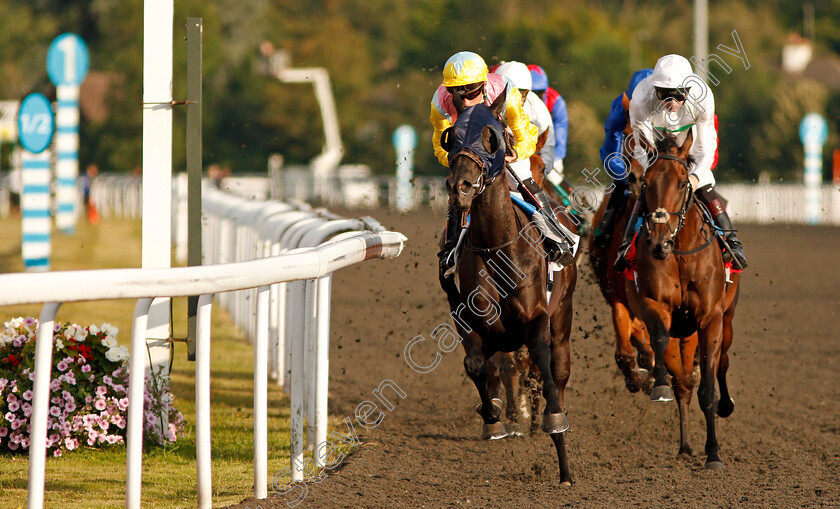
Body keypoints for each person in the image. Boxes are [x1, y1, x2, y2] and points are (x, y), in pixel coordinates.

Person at [430, 52, 572, 274]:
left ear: (484, 83)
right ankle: (450, 249)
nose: (465, 100)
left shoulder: (505, 91)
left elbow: (525, 135)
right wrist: (452, 159)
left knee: (524, 180)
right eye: (457, 92)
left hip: (501, 142)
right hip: (468, 148)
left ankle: (555, 238)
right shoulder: (440, 100)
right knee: (458, 188)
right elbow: (440, 142)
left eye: (471, 91)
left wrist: (516, 153)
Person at [614, 54, 747, 271]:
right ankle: (626, 245)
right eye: (664, 95)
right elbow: (641, 147)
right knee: (649, 189)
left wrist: (694, 178)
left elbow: (705, 150)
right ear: (654, 89)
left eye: (677, 95)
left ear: (688, 90)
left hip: (691, 144)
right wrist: (655, 173)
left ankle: (733, 244)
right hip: (656, 145)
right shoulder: (640, 99)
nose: (671, 102)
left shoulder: (703, 97)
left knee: (705, 185)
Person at [592, 68, 653, 249]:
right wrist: (624, 176)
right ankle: (604, 231)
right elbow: (610, 153)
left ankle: (726, 237)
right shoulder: (620, 109)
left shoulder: (666, 106)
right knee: (619, 187)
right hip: (630, 162)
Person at [528, 65, 571, 194]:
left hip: (547, 149)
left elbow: (560, 142)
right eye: (531, 93)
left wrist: (551, 159)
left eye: (539, 93)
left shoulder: (556, 102)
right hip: (524, 151)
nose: (535, 97)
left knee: (553, 173)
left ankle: (569, 202)